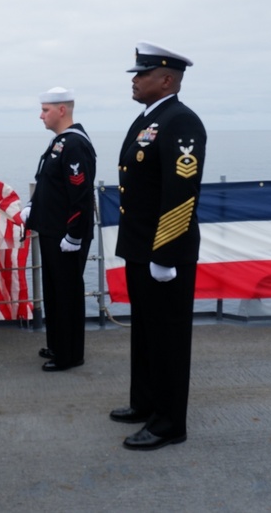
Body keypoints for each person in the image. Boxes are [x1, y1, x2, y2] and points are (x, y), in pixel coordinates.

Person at [109, 41, 207, 451]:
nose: (134, 80)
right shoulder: (147, 120)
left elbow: (181, 192)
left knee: (167, 337)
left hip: (164, 251)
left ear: (166, 80)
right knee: (145, 332)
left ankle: (169, 423)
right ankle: (146, 402)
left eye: (142, 74)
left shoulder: (181, 121)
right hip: (139, 246)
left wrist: (164, 254)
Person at [22, 87, 97, 371]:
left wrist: (74, 234)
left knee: (67, 294)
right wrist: (33, 206)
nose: (40, 115)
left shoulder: (75, 144)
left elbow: (79, 194)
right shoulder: (60, 143)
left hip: (66, 235)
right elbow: (49, 184)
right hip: (52, 231)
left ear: (61, 110)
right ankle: (57, 344)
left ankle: (70, 354)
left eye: (45, 110)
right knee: (54, 293)